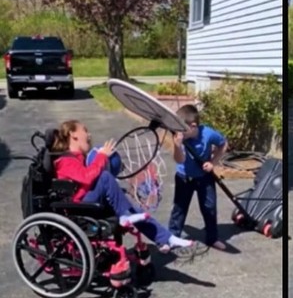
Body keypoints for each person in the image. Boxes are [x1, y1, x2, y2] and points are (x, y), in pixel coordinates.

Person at [51, 120, 196, 282]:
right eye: (84, 130)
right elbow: (86, 177)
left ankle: (166, 238)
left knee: (135, 211)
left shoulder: (79, 158)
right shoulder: (64, 160)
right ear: (73, 134)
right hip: (78, 207)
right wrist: (101, 157)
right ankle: (127, 217)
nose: (89, 134)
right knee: (106, 178)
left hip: (88, 202)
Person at [169, 105, 228, 251]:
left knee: (209, 208)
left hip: (204, 178)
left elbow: (223, 144)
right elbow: (179, 160)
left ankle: (212, 238)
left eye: (182, 128)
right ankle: (171, 237)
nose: (179, 132)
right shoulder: (180, 137)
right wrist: (177, 146)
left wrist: (213, 163)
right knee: (179, 209)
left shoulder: (208, 134)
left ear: (193, 126)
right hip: (184, 177)